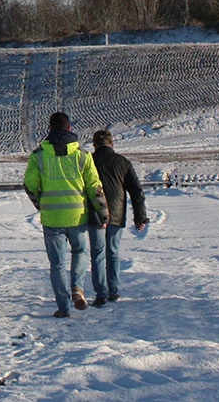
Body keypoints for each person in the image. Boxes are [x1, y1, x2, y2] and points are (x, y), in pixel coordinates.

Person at [23, 112, 107, 318]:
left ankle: (63, 306)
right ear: (70, 129)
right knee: (79, 252)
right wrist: (103, 214)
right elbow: (94, 187)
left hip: (52, 218)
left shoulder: (38, 155)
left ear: (49, 130)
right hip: (77, 216)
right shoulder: (83, 156)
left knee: (57, 264)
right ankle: (77, 289)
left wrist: (40, 203)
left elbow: (30, 184)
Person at [87, 130, 149, 308]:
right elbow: (136, 191)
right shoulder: (123, 162)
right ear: (112, 144)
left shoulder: (88, 161)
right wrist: (140, 217)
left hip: (95, 213)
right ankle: (113, 291)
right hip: (116, 213)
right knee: (113, 252)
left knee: (97, 253)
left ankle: (100, 294)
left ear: (94, 145)